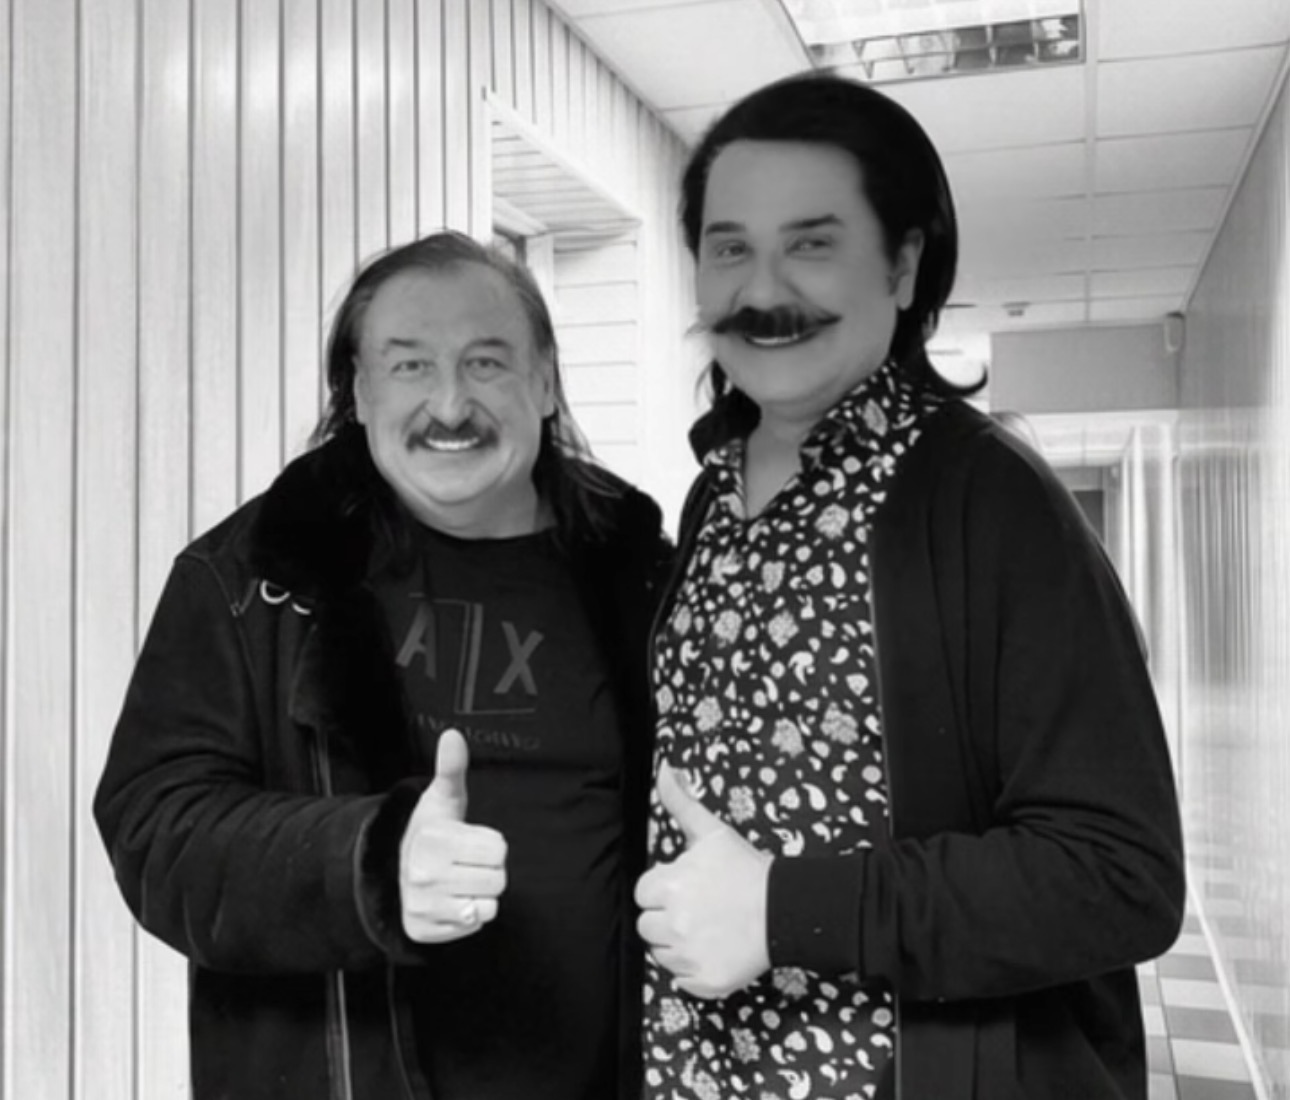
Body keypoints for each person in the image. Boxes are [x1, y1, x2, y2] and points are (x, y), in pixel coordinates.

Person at [635, 73, 1184, 1099]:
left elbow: (1119, 874)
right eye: (729, 247)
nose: (763, 288)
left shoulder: (991, 502)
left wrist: (784, 910)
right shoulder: (711, 499)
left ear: (903, 264)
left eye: (812, 242)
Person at [95, 230, 672, 1100]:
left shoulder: (646, 578)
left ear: (547, 382)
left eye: (486, 363)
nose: (450, 404)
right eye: (409, 367)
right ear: (359, 393)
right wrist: (368, 865)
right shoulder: (252, 580)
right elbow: (155, 831)